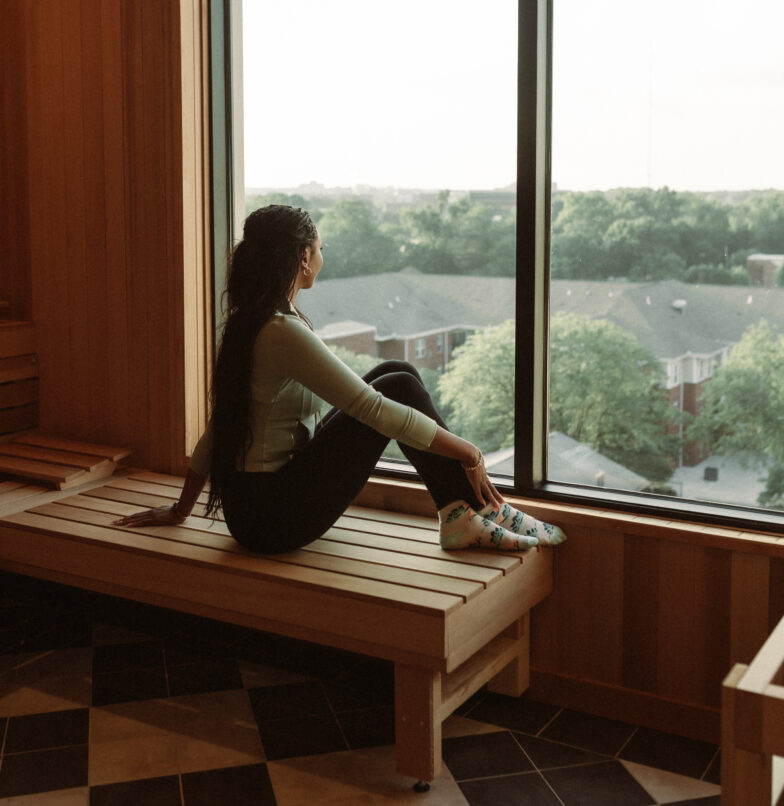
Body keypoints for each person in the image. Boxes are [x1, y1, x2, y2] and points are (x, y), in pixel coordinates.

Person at [115, 205, 566, 553]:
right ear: (302, 258)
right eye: (320, 248)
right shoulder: (280, 331)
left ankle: (458, 513)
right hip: (274, 519)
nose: (322, 257)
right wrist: (468, 450)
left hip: (253, 511)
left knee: (399, 372)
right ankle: (477, 510)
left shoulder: (250, 322)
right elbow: (370, 409)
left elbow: (218, 428)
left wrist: (180, 510)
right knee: (396, 387)